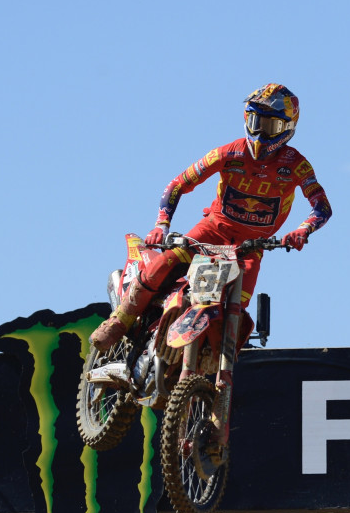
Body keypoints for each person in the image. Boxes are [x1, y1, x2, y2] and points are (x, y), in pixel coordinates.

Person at [90, 83, 331, 351]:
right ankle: (119, 321)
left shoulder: (297, 164)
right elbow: (178, 184)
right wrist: (161, 224)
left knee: (236, 307)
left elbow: (321, 206)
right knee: (165, 262)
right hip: (212, 230)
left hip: (251, 248)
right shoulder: (228, 152)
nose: (261, 133)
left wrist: (303, 230)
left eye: (270, 126)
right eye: (255, 122)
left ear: (287, 128)